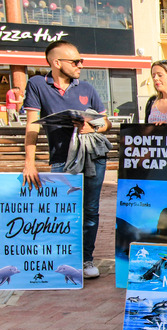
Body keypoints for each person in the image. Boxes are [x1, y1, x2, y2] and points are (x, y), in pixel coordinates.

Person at [22, 40, 112, 279]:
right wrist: (29, 162)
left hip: (93, 157)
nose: (80, 65)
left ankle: (86, 260)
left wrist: (92, 128)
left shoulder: (87, 89)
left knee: (90, 210)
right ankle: (63, 260)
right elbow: (32, 124)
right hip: (62, 158)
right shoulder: (37, 84)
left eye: (81, 60)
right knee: (63, 211)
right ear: (56, 63)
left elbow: (106, 123)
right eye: (75, 61)